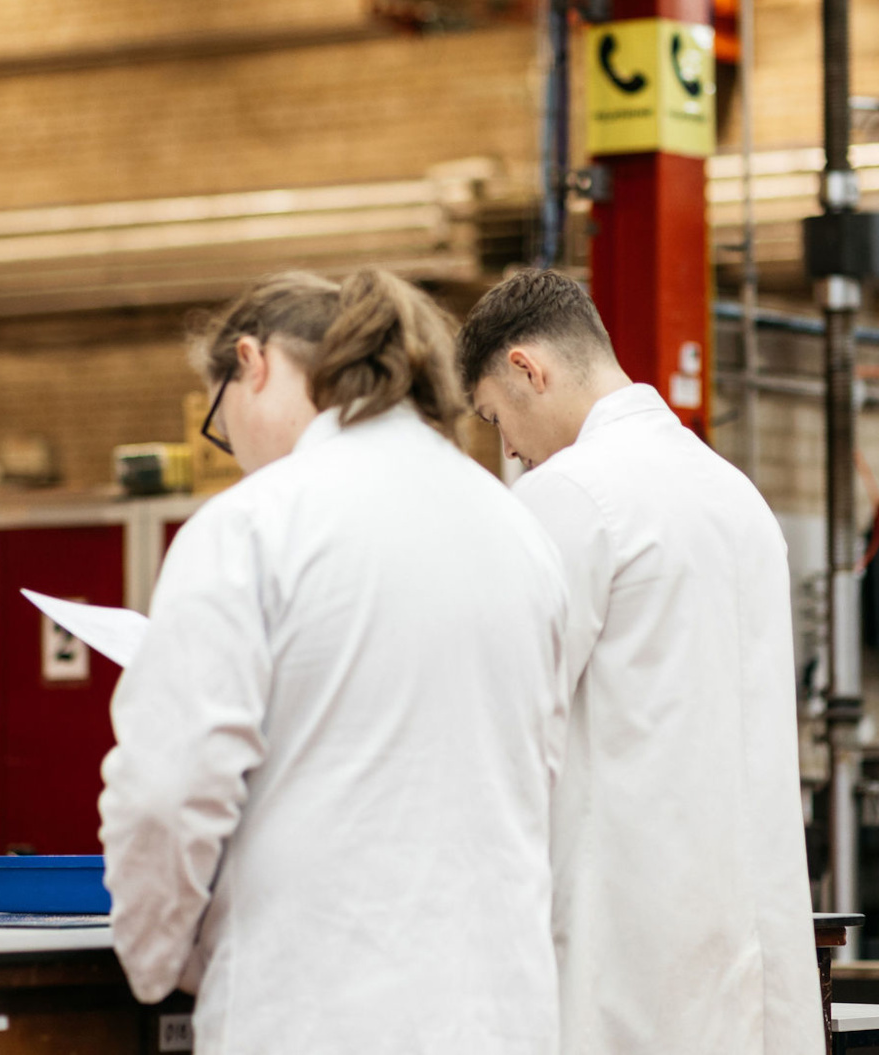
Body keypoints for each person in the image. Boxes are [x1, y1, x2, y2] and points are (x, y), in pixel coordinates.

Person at [98, 269, 570, 1055]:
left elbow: (168, 789)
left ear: (250, 362)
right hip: (500, 1011)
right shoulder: (518, 531)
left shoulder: (255, 522)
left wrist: (157, 957)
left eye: (222, 425)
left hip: (318, 1008)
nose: (235, 451)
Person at [457, 268, 824, 1055]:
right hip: (742, 957)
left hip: (627, 965)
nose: (508, 447)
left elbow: (498, 723)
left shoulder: (569, 497)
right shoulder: (735, 496)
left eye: (495, 416)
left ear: (528, 368)